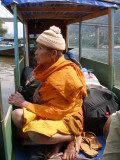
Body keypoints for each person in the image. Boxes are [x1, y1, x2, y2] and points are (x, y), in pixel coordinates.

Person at [9, 26, 87, 160]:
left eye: (39, 48)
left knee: (34, 132)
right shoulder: (51, 68)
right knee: (16, 115)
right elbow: (50, 89)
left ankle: (73, 136)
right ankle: (57, 139)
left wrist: (24, 103)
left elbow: (58, 112)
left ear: (53, 54)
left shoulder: (66, 74)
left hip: (67, 118)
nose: (36, 53)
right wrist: (39, 90)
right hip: (51, 114)